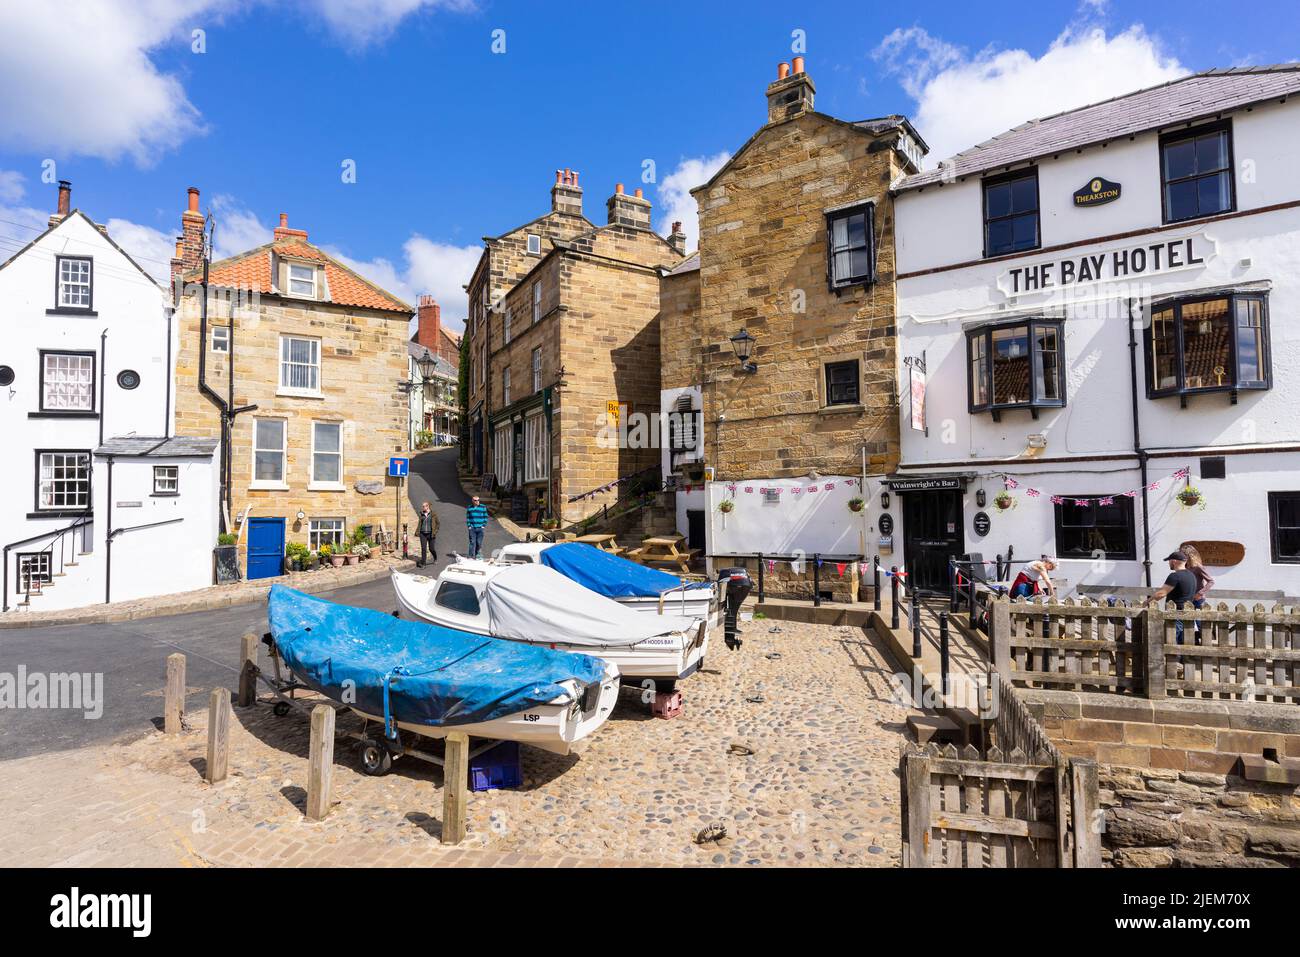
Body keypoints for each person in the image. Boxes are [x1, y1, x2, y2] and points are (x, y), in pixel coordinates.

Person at [1148, 550, 1198, 645]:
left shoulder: (1175, 576)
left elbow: (1161, 594)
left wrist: (1146, 602)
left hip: (1176, 615)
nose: (1168, 563)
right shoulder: (1192, 576)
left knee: (1171, 643)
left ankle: (1174, 659)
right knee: (1185, 643)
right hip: (1189, 614)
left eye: (1169, 561)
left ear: (1174, 561)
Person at [466, 494, 489, 559]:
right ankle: (470, 556)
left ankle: (477, 556)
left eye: (478, 500)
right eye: (475, 500)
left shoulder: (483, 507)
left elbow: (486, 516)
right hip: (472, 528)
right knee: (472, 542)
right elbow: (468, 517)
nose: (477, 501)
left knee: (479, 543)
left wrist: (483, 525)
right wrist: (469, 526)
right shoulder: (469, 507)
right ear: (472, 501)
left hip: (480, 528)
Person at [417, 501, 438, 567]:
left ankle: (435, 557)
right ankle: (423, 563)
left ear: (427, 506)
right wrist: (418, 531)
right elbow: (420, 524)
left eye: (424, 506)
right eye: (422, 506)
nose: (423, 507)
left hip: (431, 534)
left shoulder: (433, 514)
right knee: (423, 548)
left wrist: (435, 531)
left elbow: (438, 523)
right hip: (423, 534)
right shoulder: (421, 514)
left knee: (431, 549)